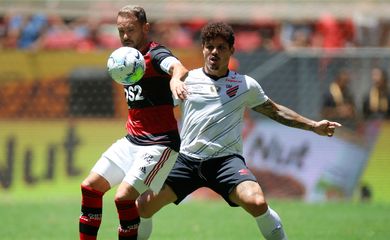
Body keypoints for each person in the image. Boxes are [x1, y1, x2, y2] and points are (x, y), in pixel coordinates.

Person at [136, 22, 342, 240]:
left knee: (257, 202)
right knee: (143, 207)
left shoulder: (245, 85)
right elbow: (157, 111)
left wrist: (313, 126)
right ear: (203, 49)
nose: (214, 52)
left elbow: (276, 111)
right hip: (187, 162)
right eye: (210, 46)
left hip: (226, 162)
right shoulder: (186, 81)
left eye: (221, 47)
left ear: (231, 50)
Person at [78, 5, 188, 240]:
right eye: (121, 31)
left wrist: (176, 80)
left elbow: (178, 66)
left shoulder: (156, 54)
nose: (126, 36)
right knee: (90, 188)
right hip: (132, 141)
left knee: (124, 198)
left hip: (160, 144)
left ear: (145, 28)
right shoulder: (123, 58)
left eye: (131, 30)